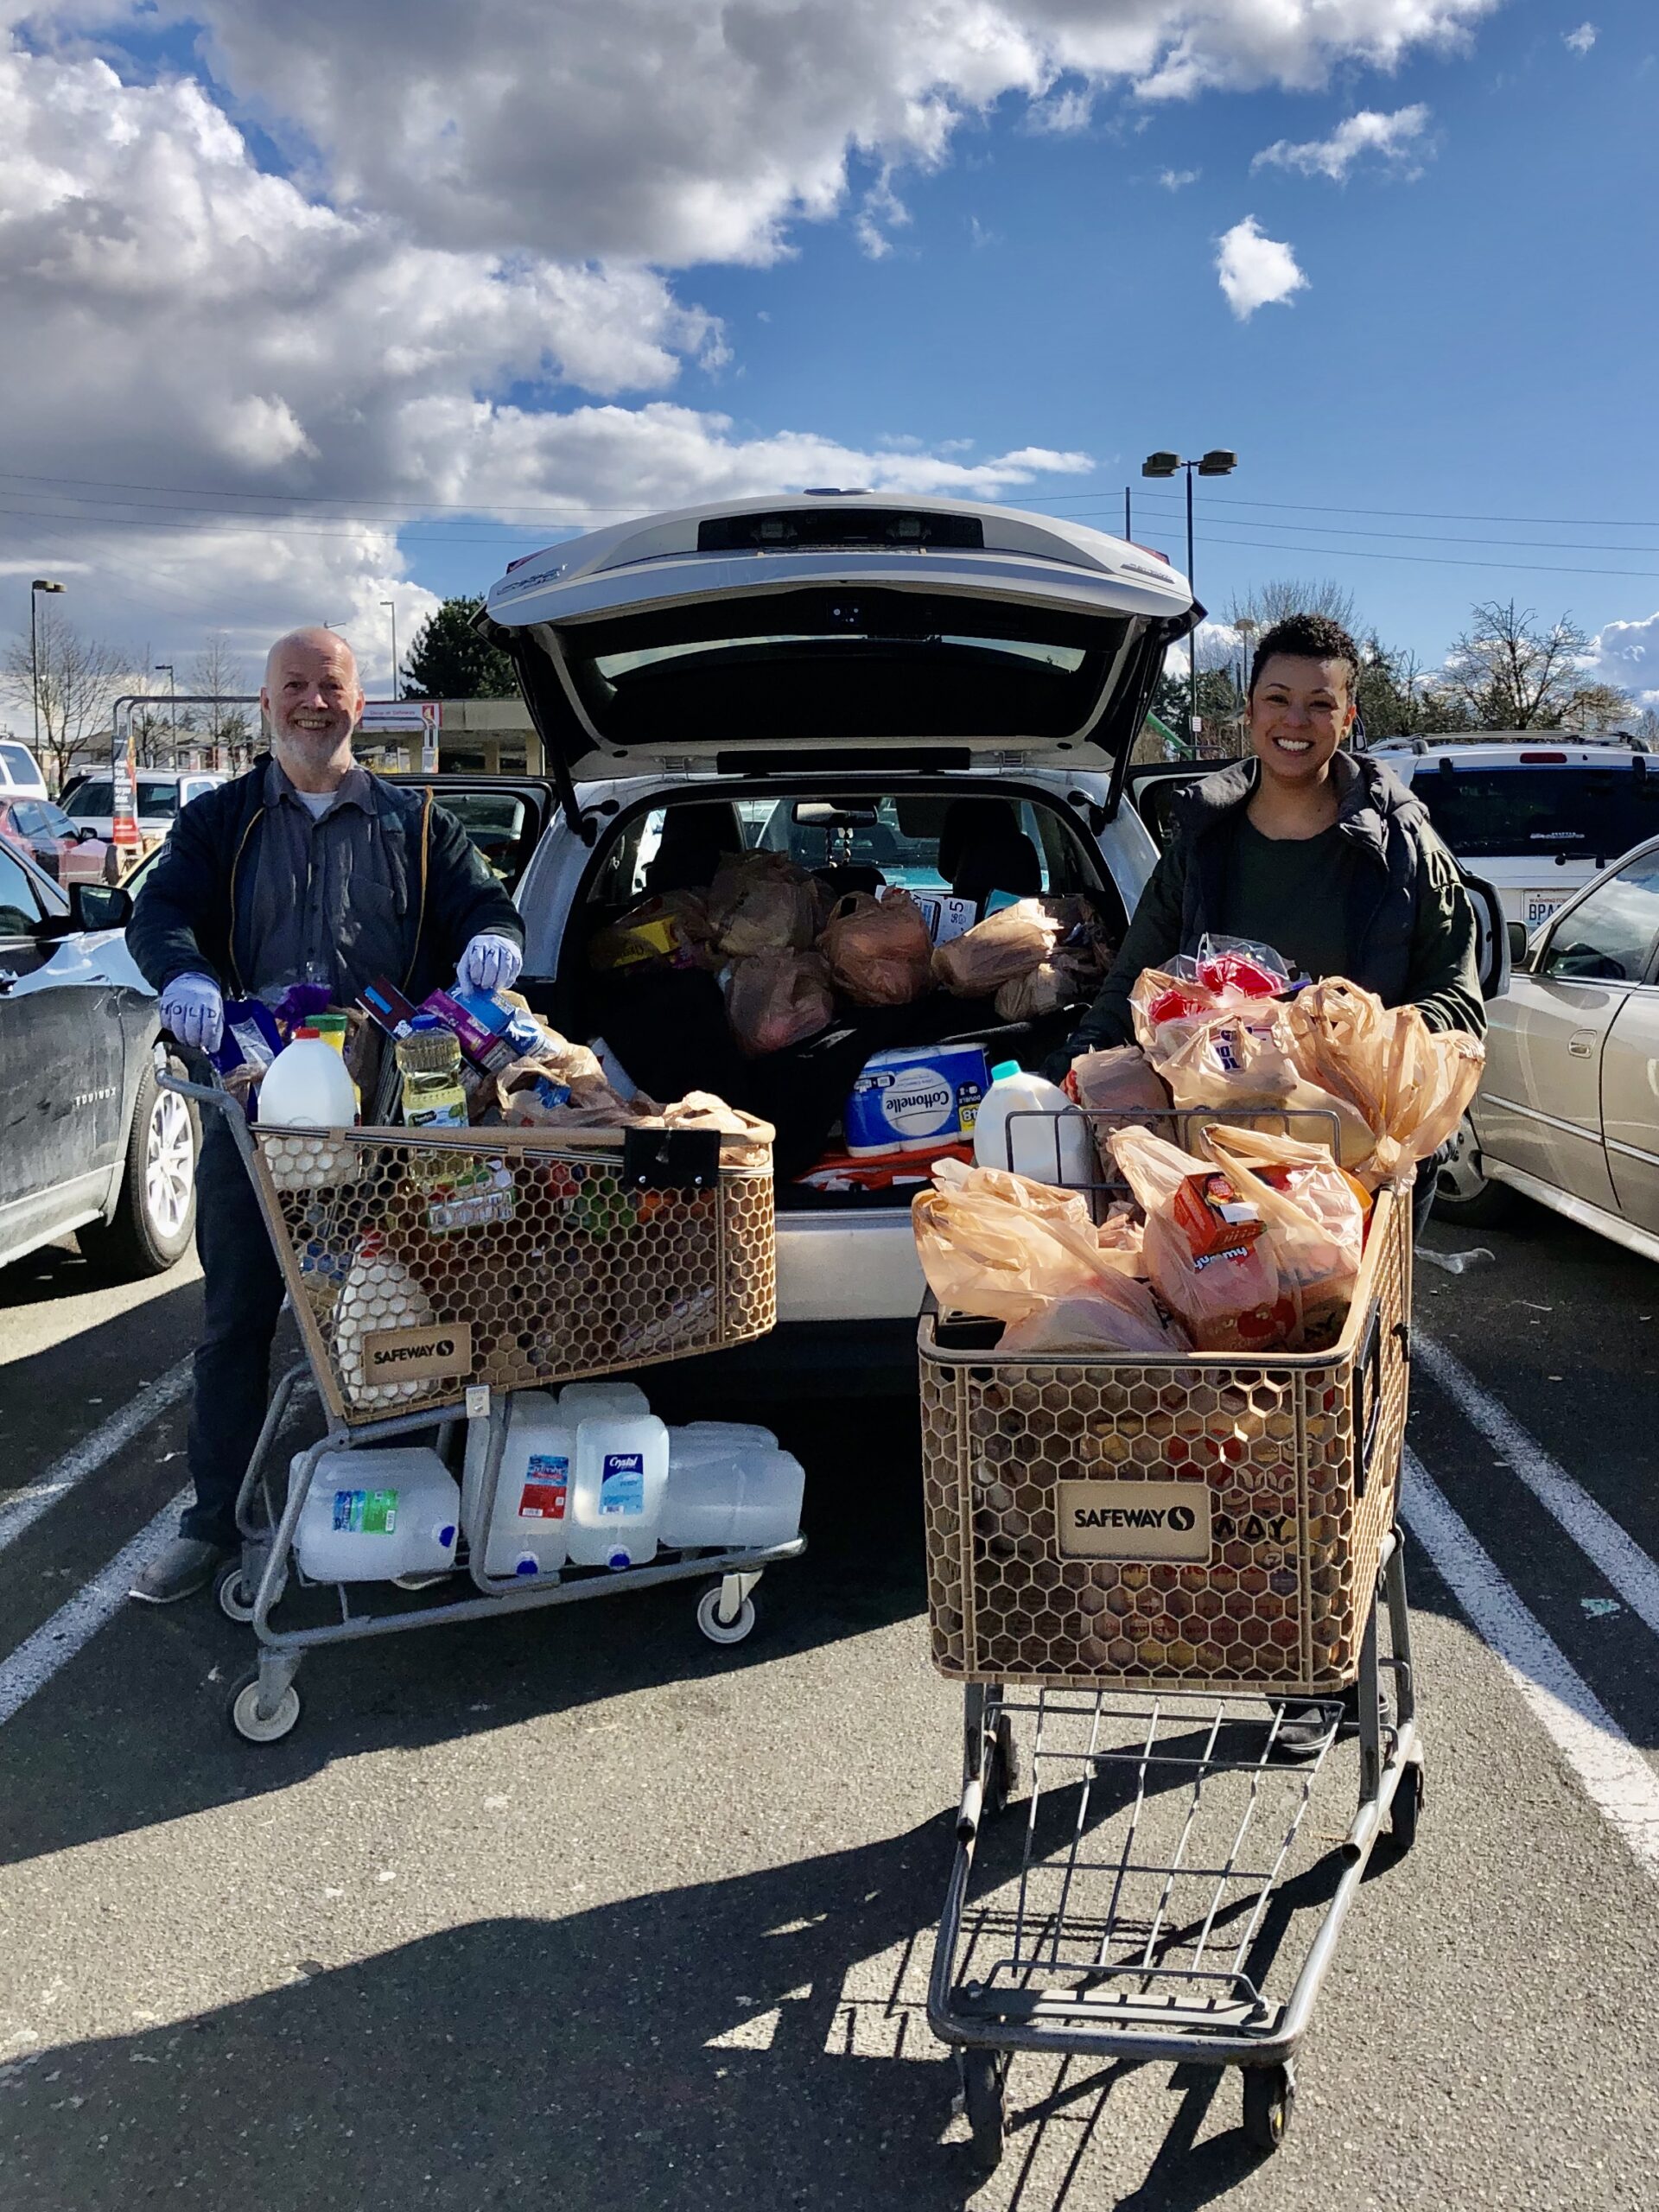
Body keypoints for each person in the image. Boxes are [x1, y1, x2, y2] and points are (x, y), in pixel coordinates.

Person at [125, 626, 525, 1605]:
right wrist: (181, 972)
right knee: (236, 1320)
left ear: (361, 702)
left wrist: (495, 946)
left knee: (404, 1308)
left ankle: (411, 1503)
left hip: (394, 1124)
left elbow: (486, 907)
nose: (313, 702)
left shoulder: (416, 825)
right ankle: (212, 1518)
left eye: (331, 686)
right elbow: (160, 912)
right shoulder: (221, 822)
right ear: (265, 705)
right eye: (294, 686)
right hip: (255, 1120)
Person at [1060, 609, 1484, 1238]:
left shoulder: (1403, 845)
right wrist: (1070, 1067)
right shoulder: (1202, 846)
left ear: (1347, 716)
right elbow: (1135, 981)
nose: (1295, 721)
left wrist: (1355, 1042)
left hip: (1358, 1166)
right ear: (1251, 711)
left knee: (1350, 1334)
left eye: (1319, 703)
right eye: (1278, 699)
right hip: (1218, 1163)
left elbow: (1457, 999)